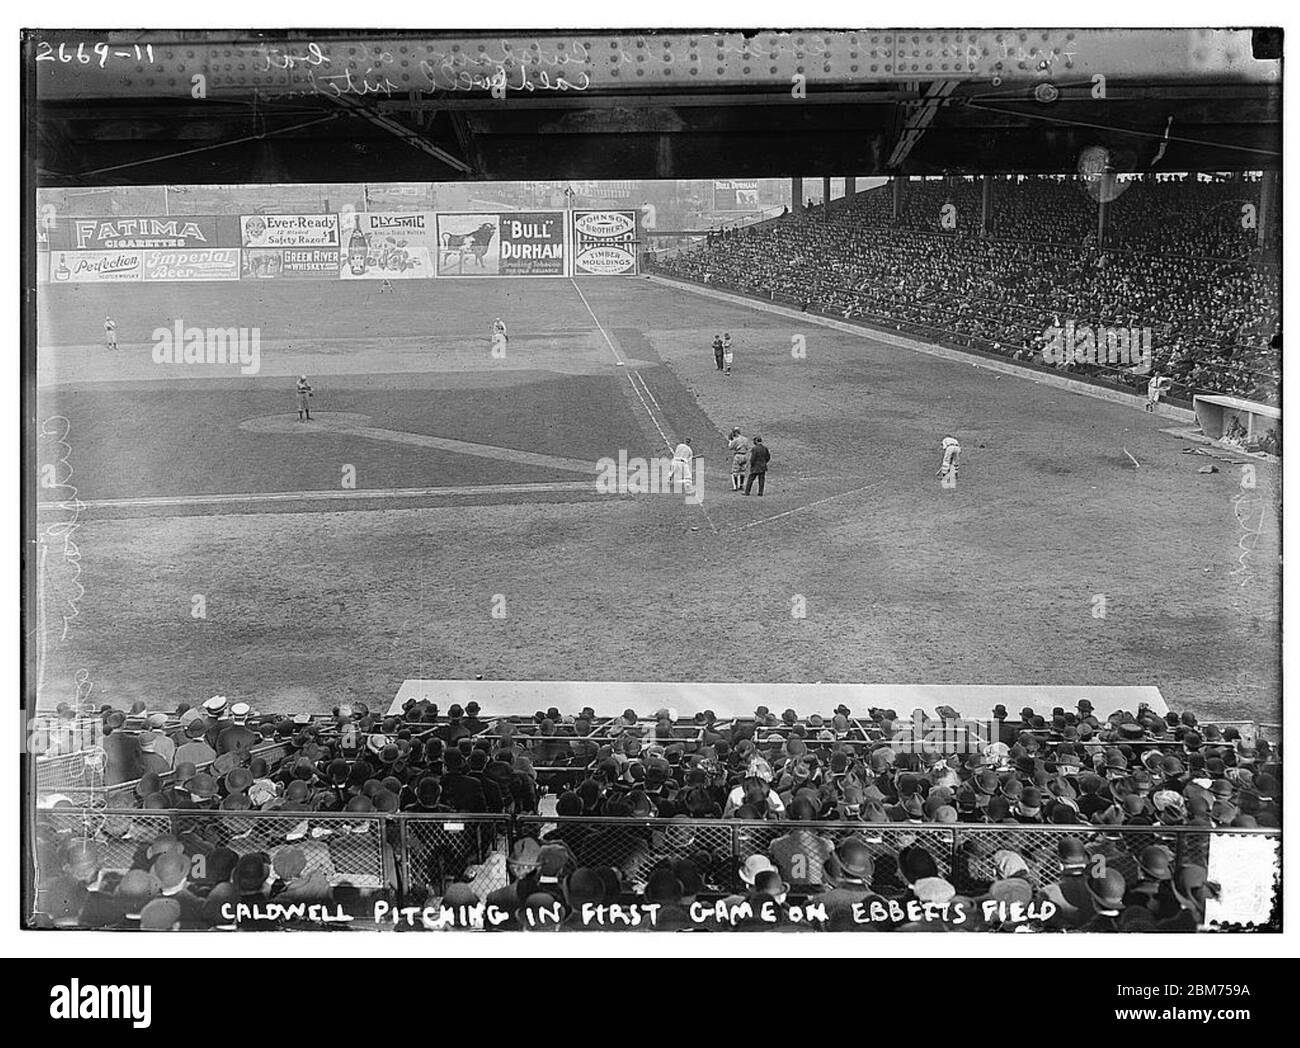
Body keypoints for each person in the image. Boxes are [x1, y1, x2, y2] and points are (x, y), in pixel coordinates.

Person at [727, 428, 752, 492]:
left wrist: (730, 440)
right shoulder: (745, 439)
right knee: (742, 471)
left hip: (738, 455)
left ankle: (735, 487)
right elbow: (748, 448)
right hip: (745, 455)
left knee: (735, 471)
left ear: (735, 433)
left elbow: (730, 447)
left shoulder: (736, 440)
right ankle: (741, 485)